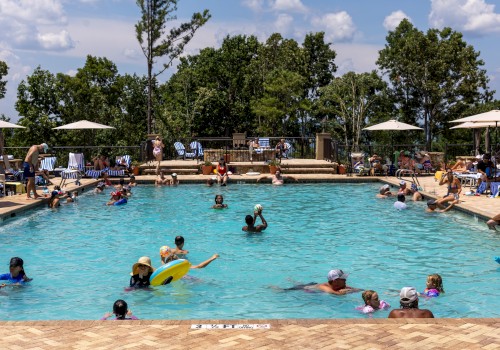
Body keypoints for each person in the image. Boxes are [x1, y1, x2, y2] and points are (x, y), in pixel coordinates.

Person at [286, 269, 361, 295]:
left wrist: (352, 290)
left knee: (299, 283)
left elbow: (357, 289)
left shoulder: (340, 285)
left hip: (313, 284)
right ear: (335, 281)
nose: (345, 280)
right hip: (304, 289)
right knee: (282, 291)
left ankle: (292, 280)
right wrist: (345, 292)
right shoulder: (324, 287)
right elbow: (336, 294)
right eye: (343, 279)